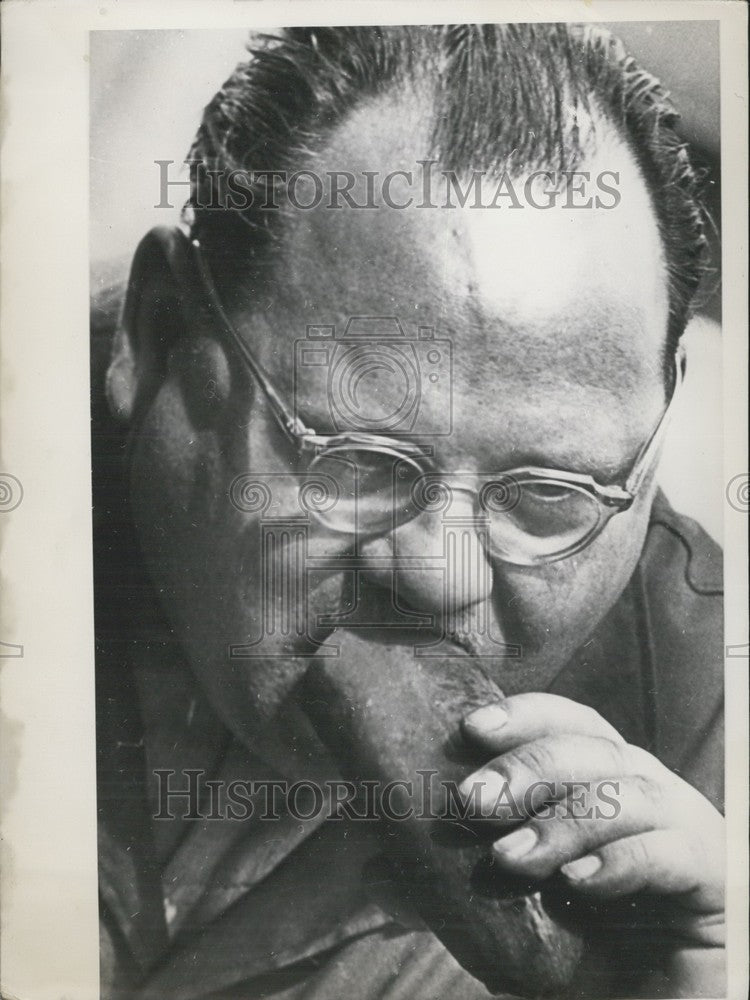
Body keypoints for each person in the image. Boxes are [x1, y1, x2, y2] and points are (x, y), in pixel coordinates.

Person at [92, 24, 724, 999]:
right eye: (358, 457)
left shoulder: (701, 700)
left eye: (546, 494)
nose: (436, 573)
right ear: (162, 331)